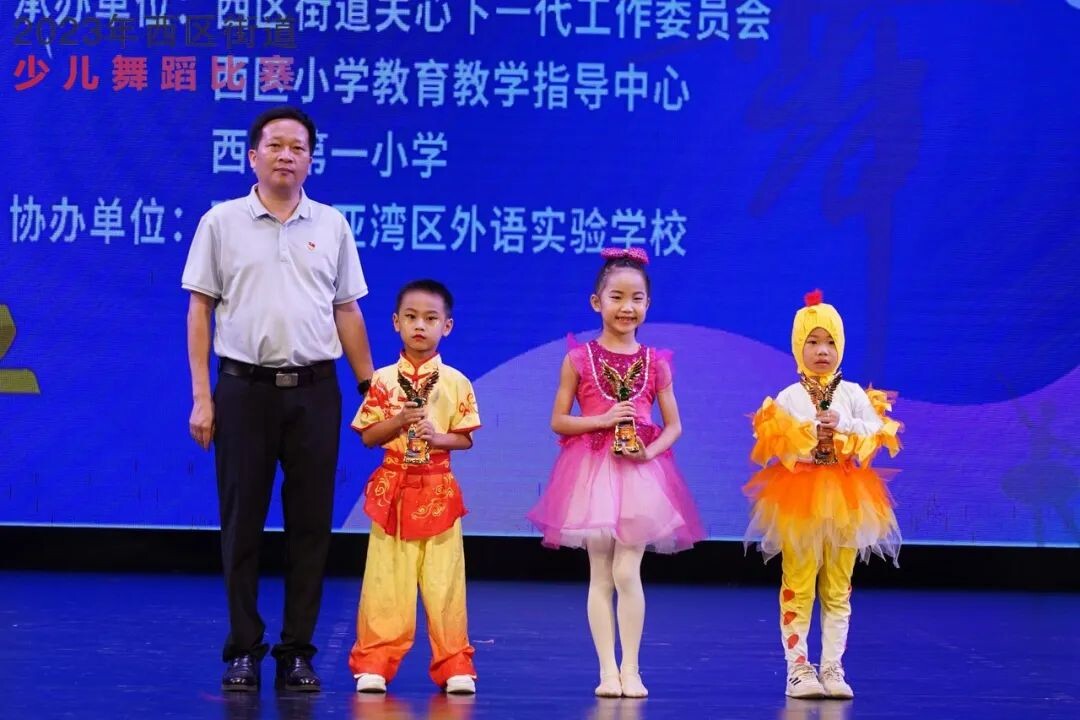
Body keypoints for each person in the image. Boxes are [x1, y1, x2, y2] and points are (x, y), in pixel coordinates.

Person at [182, 106, 374, 692]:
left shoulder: (332, 225)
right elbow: (199, 309)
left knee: (310, 526)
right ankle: (243, 649)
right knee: (241, 524)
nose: (286, 155)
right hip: (243, 391)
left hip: (316, 391)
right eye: (275, 145)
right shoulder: (221, 222)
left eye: (298, 147)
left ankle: (297, 652)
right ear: (252, 156)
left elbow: (347, 309)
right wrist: (202, 397)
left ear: (311, 160)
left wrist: (370, 386)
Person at [526, 247, 705, 698]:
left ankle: (632, 668)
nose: (627, 307)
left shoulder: (656, 362)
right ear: (597, 302)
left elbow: (675, 425)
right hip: (592, 473)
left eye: (637, 299)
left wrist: (649, 453)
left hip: (639, 475)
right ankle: (607, 670)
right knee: (601, 575)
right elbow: (558, 421)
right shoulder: (579, 359)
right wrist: (601, 420)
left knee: (628, 572)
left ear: (648, 304)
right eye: (617, 297)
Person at [743, 290, 902, 699]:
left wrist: (844, 423)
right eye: (812, 341)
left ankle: (833, 667)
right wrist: (807, 440)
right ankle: (798, 669)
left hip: (848, 497)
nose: (822, 351)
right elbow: (776, 444)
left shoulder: (852, 394)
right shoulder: (788, 397)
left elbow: (878, 433)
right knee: (798, 580)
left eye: (830, 342)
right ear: (798, 346)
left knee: (838, 584)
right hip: (801, 497)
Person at [348, 280, 481, 696]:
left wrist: (437, 437)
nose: (420, 326)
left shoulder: (456, 381)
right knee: (386, 581)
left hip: (438, 488)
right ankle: (375, 663)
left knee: (445, 582)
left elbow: (464, 438)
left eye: (430, 318)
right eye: (411, 317)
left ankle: (454, 663)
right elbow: (368, 436)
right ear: (396, 322)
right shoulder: (383, 380)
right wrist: (399, 422)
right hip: (393, 489)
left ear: (447, 326)